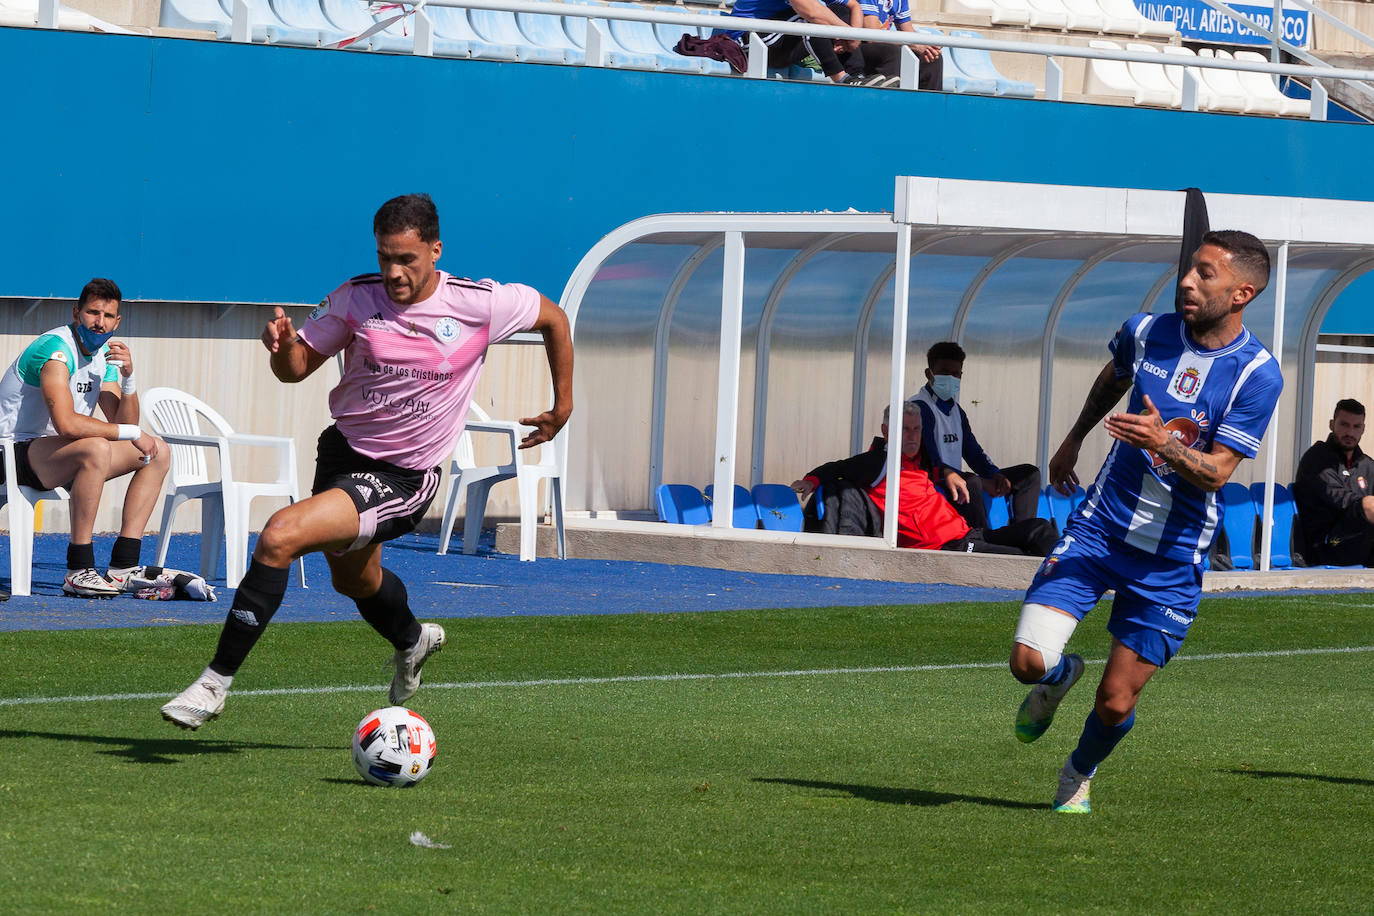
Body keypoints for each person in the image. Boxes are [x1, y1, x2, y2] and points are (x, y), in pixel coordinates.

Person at [160, 193, 574, 729]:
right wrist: (283, 347)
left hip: (405, 475)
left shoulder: (481, 302)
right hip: (341, 455)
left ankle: (213, 686)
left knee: (280, 534)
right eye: (385, 258)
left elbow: (555, 319)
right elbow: (295, 370)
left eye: (407, 259)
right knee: (354, 581)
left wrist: (563, 405)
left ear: (435, 249)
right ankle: (413, 638)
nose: (395, 273)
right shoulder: (357, 298)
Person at [1008, 230, 1282, 814]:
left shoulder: (1257, 373)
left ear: (1242, 293)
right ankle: (1059, 677)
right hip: (1099, 530)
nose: (1187, 280)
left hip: (1171, 557)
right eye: (1189, 269)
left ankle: (1078, 772)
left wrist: (1164, 441)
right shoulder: (1146, 331)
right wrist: (1073, 440)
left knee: (1114, 703)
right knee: (1027, 662)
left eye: (1206, 274)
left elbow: (1216, 475)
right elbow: (1114, 376)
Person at [0, 279, 170, 597]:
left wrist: (129, 379)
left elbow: (124, 424)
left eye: (107, 316)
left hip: (56, 455)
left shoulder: (103, 356)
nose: (99, 322)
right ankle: (79, 569)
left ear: (117, 322)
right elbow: (65, 423)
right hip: (10, 451)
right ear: (77, 313)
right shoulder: (55, 350)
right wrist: (132, 432)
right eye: (93, 313)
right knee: (94, 448)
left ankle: (123, 566)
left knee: (157, 451)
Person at [791, 402, 1056, 555]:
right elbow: (837, 467)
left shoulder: (923, 459)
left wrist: (949, 473)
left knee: (1039, 528)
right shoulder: (878, 463)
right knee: (1022, 557)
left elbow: (943, 468)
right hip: (949, 548)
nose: (912, 436)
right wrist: (810, 481)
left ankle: (1079, 576)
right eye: (904, 429)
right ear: (886, 431)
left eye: (916, 429)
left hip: (969, 533)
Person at [910, 341, 1042, 529]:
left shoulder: (956, 410)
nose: (951, 378)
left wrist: (994, 474)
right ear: (929, 373)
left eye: (956, 374)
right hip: (934, 482)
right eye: (944, 372)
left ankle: (1023, 532)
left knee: (1029, 474)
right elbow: (927, 459)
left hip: (957, 481)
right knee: (971, 481)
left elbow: (973, 452)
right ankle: (982, 540)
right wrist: (980, 481)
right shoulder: (919, 407)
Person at [1293, 398, 1374, 567]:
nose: (1350, 433)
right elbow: (1339, 498)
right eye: (1344, 425)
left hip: (1361, 539)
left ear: (1363, 429)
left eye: (1356, 427)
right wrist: (1366, 507)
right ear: (1332, 424)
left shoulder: (1367, 464)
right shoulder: (1316, 459)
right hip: (1327, 543)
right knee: (1368, 505)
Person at [715, 0, 863, 84]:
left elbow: (852, 5)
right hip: (748, 44)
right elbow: (811, 12)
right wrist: (848, 34)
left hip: (777, 40)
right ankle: (843, 80)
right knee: (807, 17)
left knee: (838, 11)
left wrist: (851, 36)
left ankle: (857, 76)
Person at [837, 0, 943, 89]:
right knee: (891, 52)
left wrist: (928, 46)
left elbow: (908, 32)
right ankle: (888, 103)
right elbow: (872, 36)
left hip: (882, 45)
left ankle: (929, 108)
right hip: (856, 48)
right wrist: (914, 45)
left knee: (931, 57)